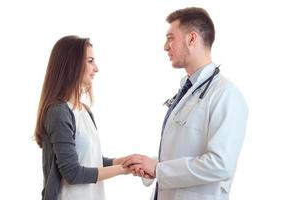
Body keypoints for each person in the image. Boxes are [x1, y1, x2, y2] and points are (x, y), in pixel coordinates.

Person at [123, 7, 248, 200]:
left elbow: (220, 164)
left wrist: (159, 169)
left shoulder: (226, 95)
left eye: (171, 38)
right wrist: (152, 165)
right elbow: (185, 151)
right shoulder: (188, 89)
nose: (165, 46)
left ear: (191, 39)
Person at [34, 35, 130, 200]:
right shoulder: (58, 112)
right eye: (90, 61)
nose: (96, 68)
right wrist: (124, 170)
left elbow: (89, 160)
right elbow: (73, 173)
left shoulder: (84, 111)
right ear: (72, 64)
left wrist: (123, 161)